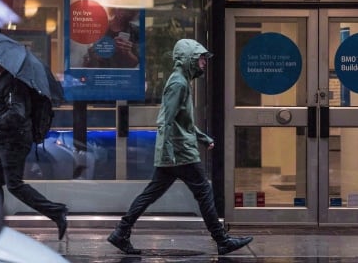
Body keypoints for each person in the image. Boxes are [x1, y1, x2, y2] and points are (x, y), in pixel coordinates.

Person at [107, 38, 253, 255]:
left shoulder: (182, 81)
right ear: (188, 59)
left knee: (151, 193)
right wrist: (167, 150)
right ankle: (222, 240)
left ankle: (121, 232)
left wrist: (203, 138)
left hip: (175, 151)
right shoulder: (179, 83)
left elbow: (182, 120)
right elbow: (165, 119)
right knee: (204, 191)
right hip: (180, 152)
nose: (204, 62)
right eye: (201, 58)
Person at [0, 58, 69, 240]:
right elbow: (8, 105)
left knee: (14, 185)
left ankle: (56, 211)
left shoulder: (14, 81)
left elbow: (18, 112)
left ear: (3, 61)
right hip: (4, 139)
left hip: (13, 140)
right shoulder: (5, 78)